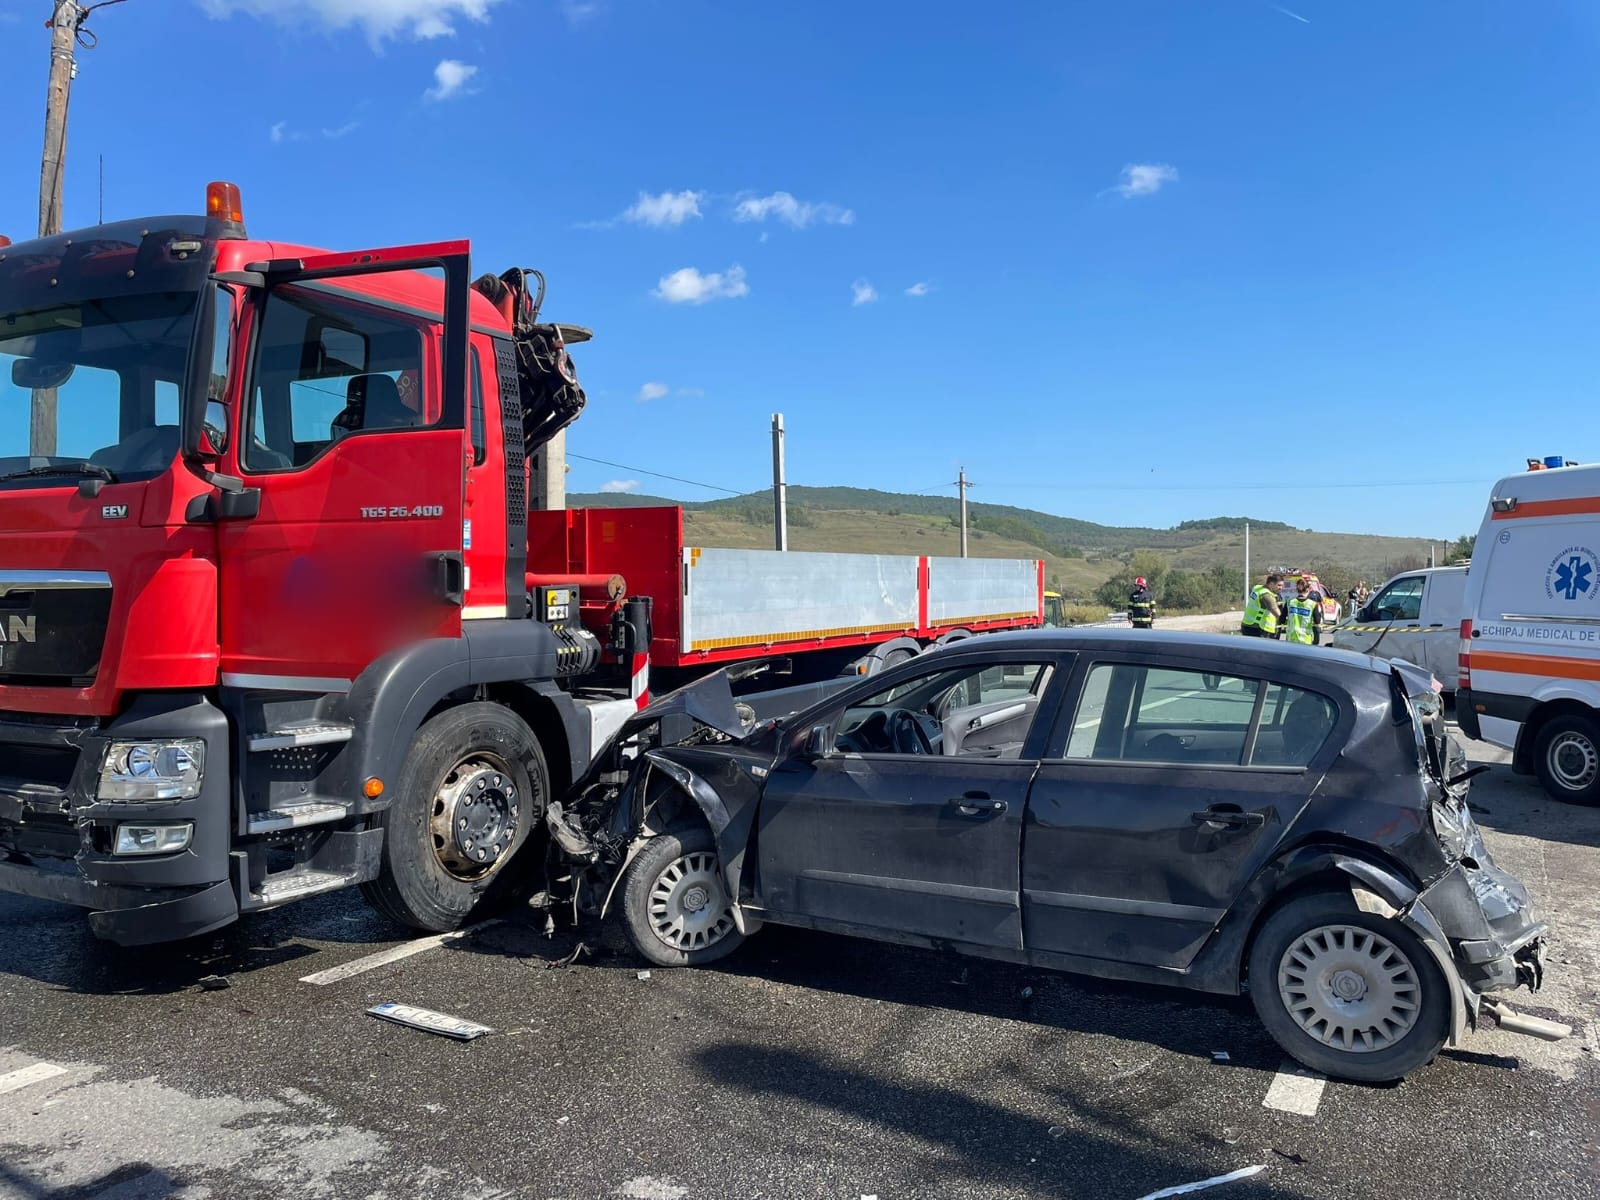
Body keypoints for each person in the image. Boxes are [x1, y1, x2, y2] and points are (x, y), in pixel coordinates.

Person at [1241, 572, 1283, 638]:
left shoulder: (1257, 588)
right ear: (1271, 584)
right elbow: (1277, 613)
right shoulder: (1266, 595)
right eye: (1279, 585)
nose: (1281, 588)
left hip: (1247, 625)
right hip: (1259, 629)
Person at [1285, 577, 1322, 646]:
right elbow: (1317, 621)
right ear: (1307, 589)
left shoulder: (1290, 602)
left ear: (1297, 589)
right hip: (1306, 639)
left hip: (1291, 638)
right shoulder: (1313, 604)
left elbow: (1282, 619)